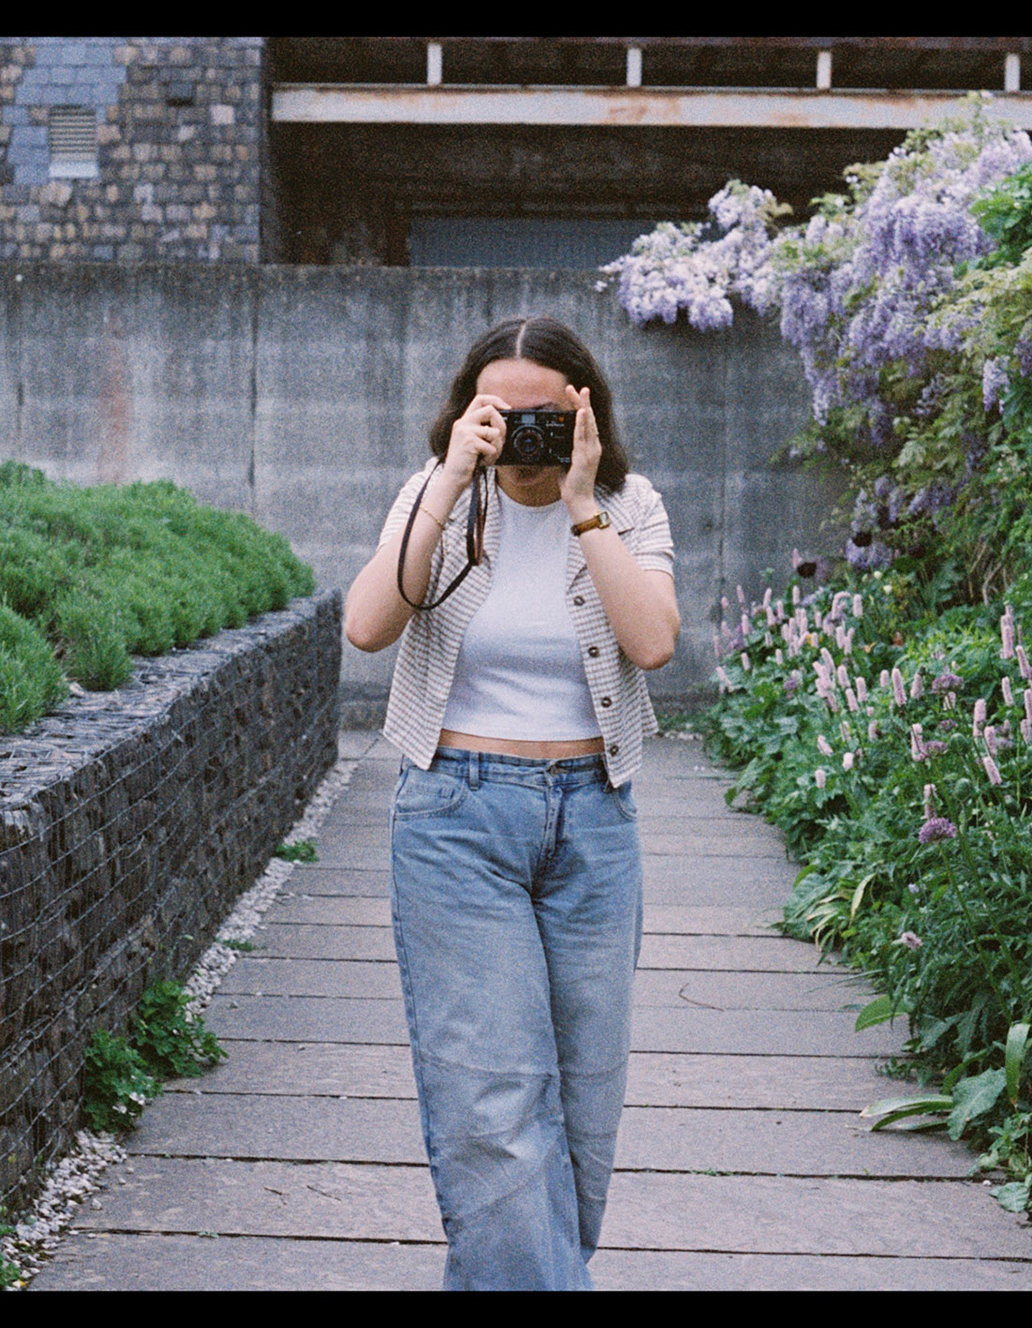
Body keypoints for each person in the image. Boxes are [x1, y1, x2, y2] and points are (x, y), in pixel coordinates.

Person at [345, 316, 680, 1290]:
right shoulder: (437, 494)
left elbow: (653, 641)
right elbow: (367, 624)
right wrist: (451, 480)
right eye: (502, 413)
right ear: (467, 412)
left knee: (584, 1113)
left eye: (547, 415)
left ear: (586, 411)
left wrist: (581, 505)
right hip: (458, 819)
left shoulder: (628, 505)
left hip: (594, 824)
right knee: (492, 1109)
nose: (525, 436)